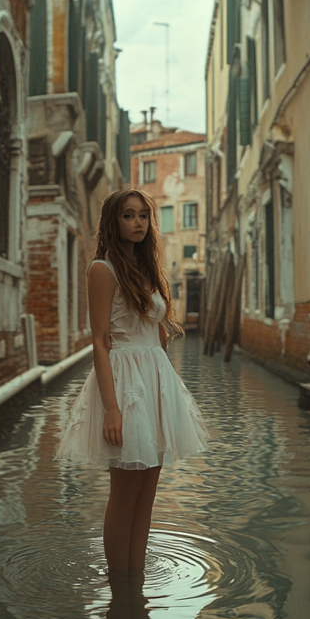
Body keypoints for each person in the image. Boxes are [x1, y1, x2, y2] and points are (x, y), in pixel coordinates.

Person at [55, 189, 209, 575]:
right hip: (124, 384)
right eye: (128, 215)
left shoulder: (145, 269)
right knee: (124, 495)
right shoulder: (102, 270)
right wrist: (111, 407)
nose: (138, 222)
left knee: (147, 495)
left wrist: (163, 380)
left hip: (155, 380)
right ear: (113, 221)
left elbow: (156, 333)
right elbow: (101, 341)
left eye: (143, 215)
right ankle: (119, 587)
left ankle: (136, 581)